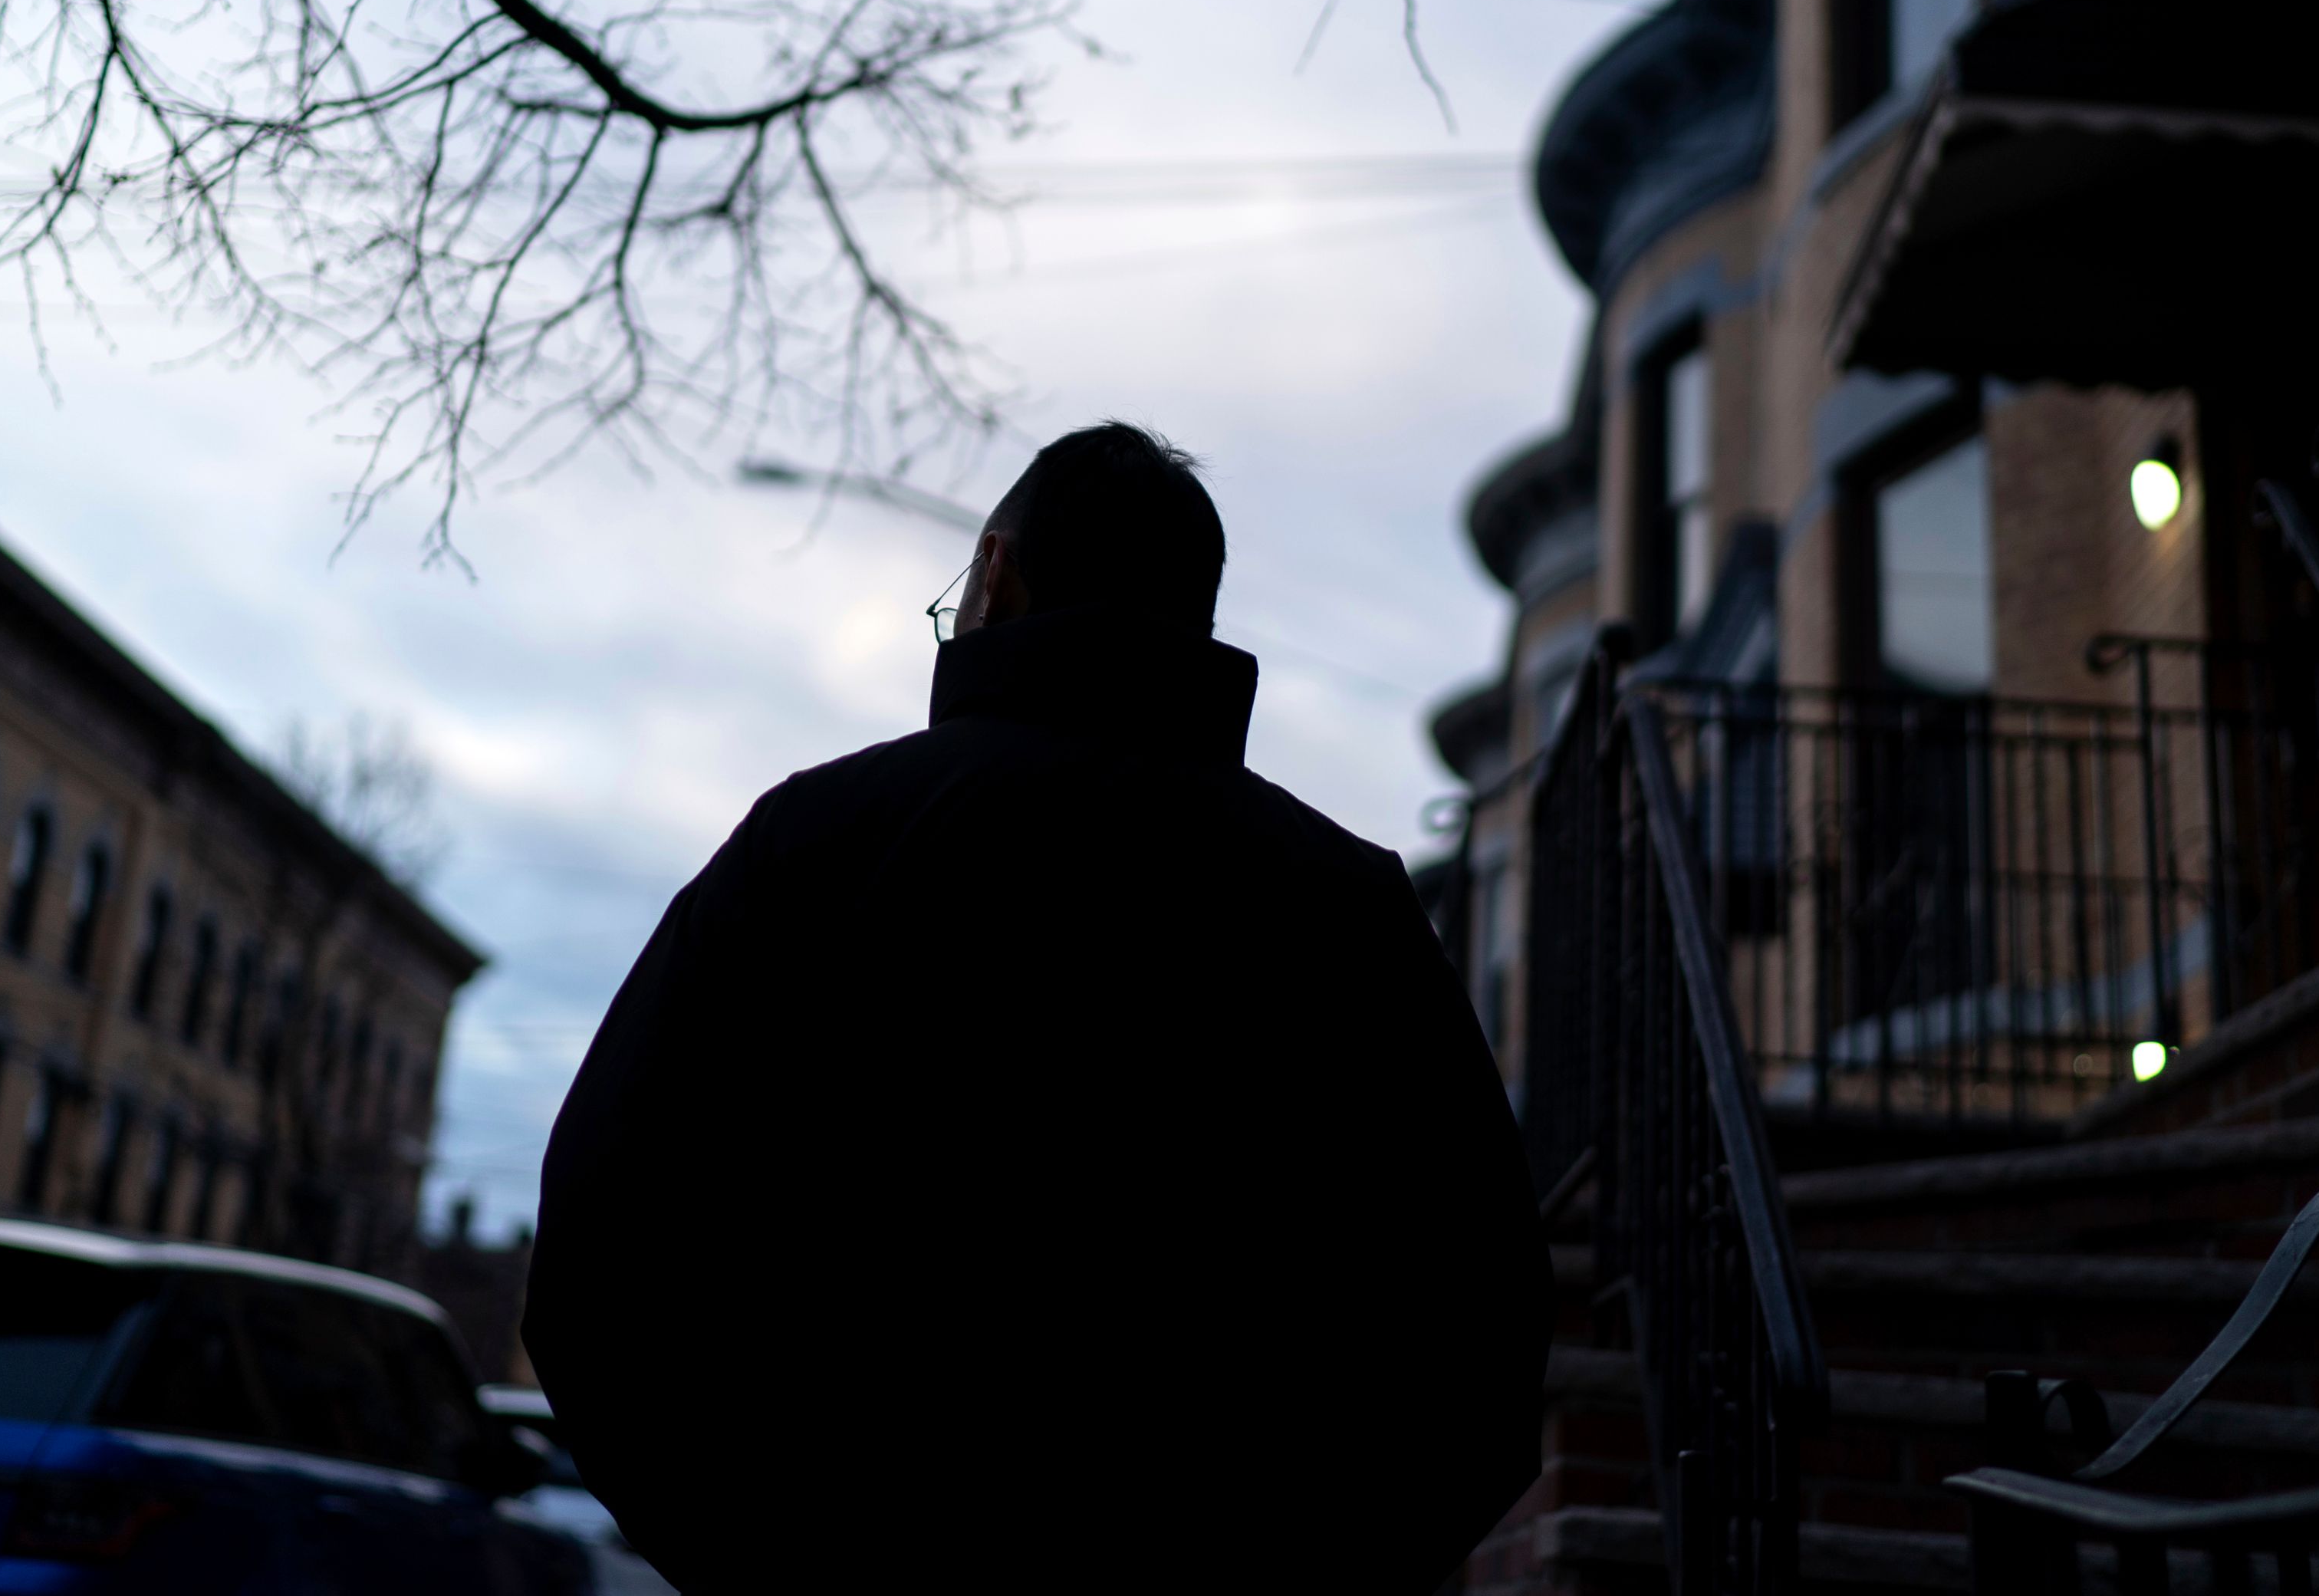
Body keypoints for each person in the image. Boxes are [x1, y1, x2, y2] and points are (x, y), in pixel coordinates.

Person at [524, 423, 1551, 1594]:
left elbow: (603, 1256)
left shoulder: (813, 842)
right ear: (1197, 621)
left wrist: (759, 1552)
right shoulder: (1350, 907)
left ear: (996, 575)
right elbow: (1485, 1338)